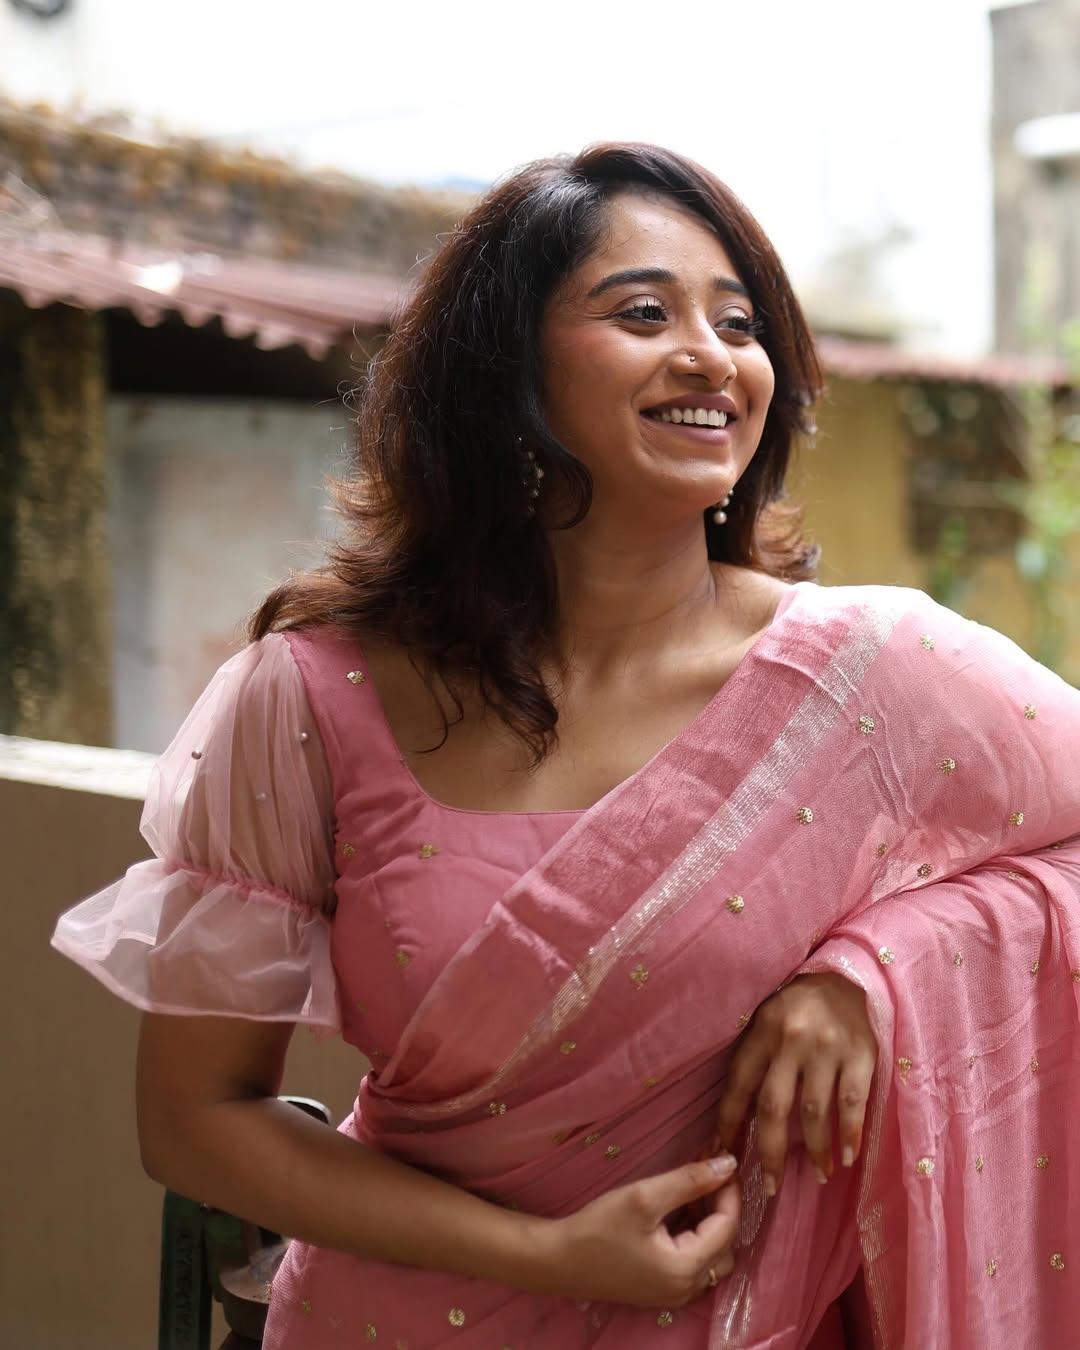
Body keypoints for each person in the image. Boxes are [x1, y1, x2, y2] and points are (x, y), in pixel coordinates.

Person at [52, 143, 1080, 1349]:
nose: (712, 355)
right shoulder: (313, 697)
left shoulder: (872, 675)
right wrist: (544, 1256)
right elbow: (196, 1122)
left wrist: (872, 974)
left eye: (739, 323)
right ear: (506, 375)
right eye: (643, 313)